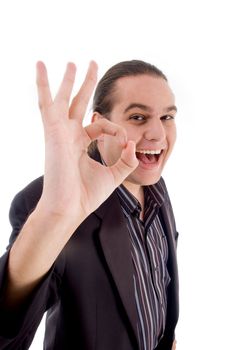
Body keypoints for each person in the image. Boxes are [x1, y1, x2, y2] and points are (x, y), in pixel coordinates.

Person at [0, 59, 179, 350]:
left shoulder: (154, 183)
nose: (158, 134)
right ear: (102, 125)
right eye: (137, 117)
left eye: (167, 117)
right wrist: (54, 218)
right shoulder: (50, 203)